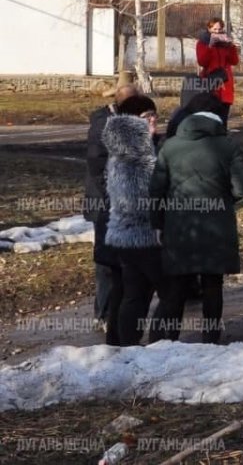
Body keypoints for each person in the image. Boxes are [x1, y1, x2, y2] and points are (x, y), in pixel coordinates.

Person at [151, 105, 243, 344]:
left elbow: (156, 190)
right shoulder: (227, 146)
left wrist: (157, 224)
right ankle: (210, 339)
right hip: (216, 227)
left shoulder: (169, 147)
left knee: (177, 283)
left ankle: (170, 339)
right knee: (212, 284)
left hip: (179, 227)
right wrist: (226, 199)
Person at [103, 95, 169, 346]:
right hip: (143, 235)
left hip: (127, 236)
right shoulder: (135, 153)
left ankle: (126, 347)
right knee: (170, 292)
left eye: (154, 114)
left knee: (135, 295)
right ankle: (160, 345)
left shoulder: (137, 146)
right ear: (132, 122)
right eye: (145, 117)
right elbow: (138, 199)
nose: (153, 120)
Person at [85, 81, 139, 338]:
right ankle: (104, 313)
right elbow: (98, 168)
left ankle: (113, 312)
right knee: (106, 263)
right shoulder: (102, 126)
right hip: (105, 203)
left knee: (119, 261)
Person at [195, 17, 238, 124]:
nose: (217, 32)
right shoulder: (202, 43)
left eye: (219, 29)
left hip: (225, 82)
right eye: (214, 29)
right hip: (210, 82)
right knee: (210, 116)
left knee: (223, 116)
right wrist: (210, 46)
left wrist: (231, 46)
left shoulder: (225, 43)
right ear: (209, 29)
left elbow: (234, 61)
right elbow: (202, 62)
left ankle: (222, 137)